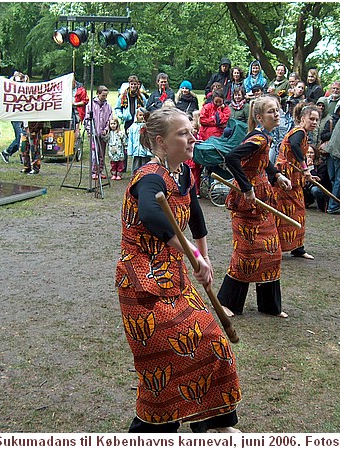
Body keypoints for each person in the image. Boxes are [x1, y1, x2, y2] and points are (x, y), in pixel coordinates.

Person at [115, 107, 241, 433]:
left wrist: (205, 256)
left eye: (191, 130)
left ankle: (214, 422)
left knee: (212, 341)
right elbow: (151, 214)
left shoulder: (183, 172)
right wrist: (192, 254)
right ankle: (150, 432)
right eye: (183, 132)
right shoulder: (150, 177)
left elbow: (196, 216)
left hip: (175, 276)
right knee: (163, 360)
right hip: (142, 280)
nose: (193, 137)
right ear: (161, 142)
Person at [217, 96, 292, 319]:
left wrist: (276, 175)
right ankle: (225, 302)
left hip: (262, 201)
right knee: (247, 253)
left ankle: (270, 305)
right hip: (247, 203)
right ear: (259, 117)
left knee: (271, 251)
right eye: (271, 111)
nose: (276, 114)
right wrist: (246, 186)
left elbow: (260, 161)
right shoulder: (259, 138)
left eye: (277, 110)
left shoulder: (264, 138)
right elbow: (231, 158)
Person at [274, 104, 320, 259]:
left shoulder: (302, 133)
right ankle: (288, 246)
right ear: (302, 119)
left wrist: (307, 173)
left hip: (292, 177)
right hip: (286, 178)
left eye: (316, 120)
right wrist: (305, 168)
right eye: (311, 119)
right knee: (288, 212)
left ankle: (296, 247)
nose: (314, 122)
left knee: (295, 212)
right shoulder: (299, 131)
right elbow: (293, 145)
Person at [85, 85, 113, 180]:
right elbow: (87, 118)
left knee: (102, 153)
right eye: (103, 95)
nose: (104, 97)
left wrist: (106, 128)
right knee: (94, 153)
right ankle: (93, 171)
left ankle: (100, 171)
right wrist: (89, 130)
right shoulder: (91, 105)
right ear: (98, 94)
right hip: (93, 133)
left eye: (106, 95)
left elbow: (110, 118)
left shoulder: (108, 106)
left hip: (103, 134)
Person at [0, 71, 28, 163]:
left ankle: (14, 154)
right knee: (20, 138)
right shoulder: (12, 88)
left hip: (22, 117)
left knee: (21, 137)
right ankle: (7, 152)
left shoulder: (23, 89)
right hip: (15, 117)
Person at [127, 107, 151, 173]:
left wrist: (150, 151)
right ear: (136, 116)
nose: (142, 117)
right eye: (140, 115)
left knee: (145, 166)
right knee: (136, 166)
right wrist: (130, 151)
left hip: (145, 151)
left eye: (143, 115)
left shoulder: (148, 126)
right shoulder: (133, 127)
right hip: (136, 151)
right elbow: (130, 140)